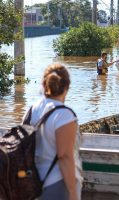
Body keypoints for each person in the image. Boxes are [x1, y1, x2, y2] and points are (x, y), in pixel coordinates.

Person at [23, 63, 82, 200]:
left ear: (44, 85)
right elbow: (64, 156)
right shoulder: (64, 115)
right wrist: (73, 192)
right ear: (67, 87)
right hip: (57, 183)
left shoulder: (32, 110)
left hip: (31, 183)